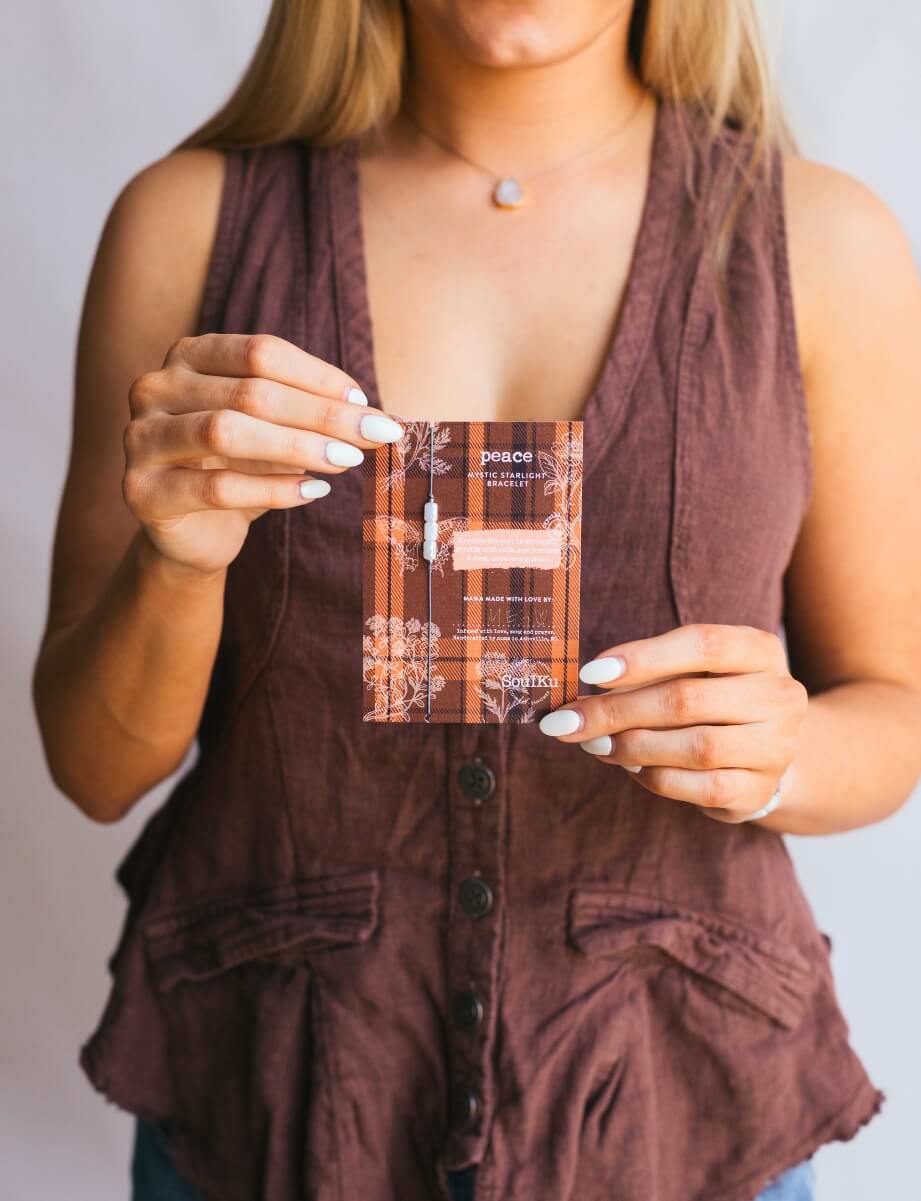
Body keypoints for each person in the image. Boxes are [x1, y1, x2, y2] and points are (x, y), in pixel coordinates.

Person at [31, 2, 921, 1199]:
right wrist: (180, 560)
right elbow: (94, 767)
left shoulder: (821, 241)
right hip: (282, 1103)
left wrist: (784, 749)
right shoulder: (188, 224)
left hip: (675, 1106)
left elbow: (898, 706)